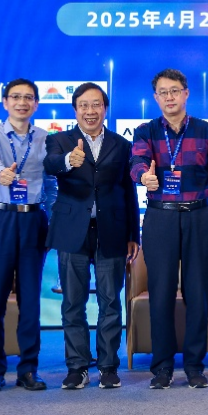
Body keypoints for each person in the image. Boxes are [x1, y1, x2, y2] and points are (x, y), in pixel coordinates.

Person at [130, 69, 208, 389]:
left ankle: (195, 365)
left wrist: (201, 203)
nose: (169, 97)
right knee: (161, 294)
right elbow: (137, 162)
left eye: (174, 91)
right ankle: (163, 367)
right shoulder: (145, 131)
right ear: (155, 98)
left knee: (198, 293)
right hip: (161, 217)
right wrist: (144, 177)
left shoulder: (205, 130)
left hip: (199, 216)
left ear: (186, 93)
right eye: (162, 92)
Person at [44, 83, 140, 390]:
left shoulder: (121, 145)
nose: (90, 111)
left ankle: (108, 366)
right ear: (75, 110)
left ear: (105, 109)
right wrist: (67, 161)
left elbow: (128, 191)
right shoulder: (59, 140)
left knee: (110, 301)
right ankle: (77, 367)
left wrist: (133, 234)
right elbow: (50, 164)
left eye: (96, 104)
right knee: (73, 302)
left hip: (111, 230)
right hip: (72, 231)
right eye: (84, 105)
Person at [0, 78, 49, 393]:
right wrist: (0, 172)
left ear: (36, 104)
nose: (22, 103)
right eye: (16, 97)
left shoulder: (45, 138)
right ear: (5, 102)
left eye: (28, 98)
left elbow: (52, 183)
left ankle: (28, 369)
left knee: (30, 300)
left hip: (33, 219)